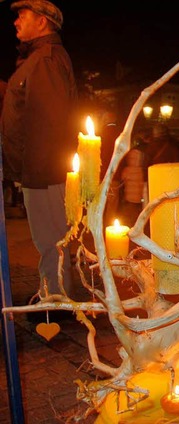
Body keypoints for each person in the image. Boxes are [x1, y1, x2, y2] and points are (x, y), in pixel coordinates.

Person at [1, 0, 77, 298]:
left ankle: (56, 301)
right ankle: (54, 293)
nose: (16, 21)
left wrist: (34, 173)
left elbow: (49, 121)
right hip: (39, 169)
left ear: (42, 21)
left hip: (43, 171)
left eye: (22, 16)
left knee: (51, 239)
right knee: (49, 239)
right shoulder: (37, 59)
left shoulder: (45, 59)